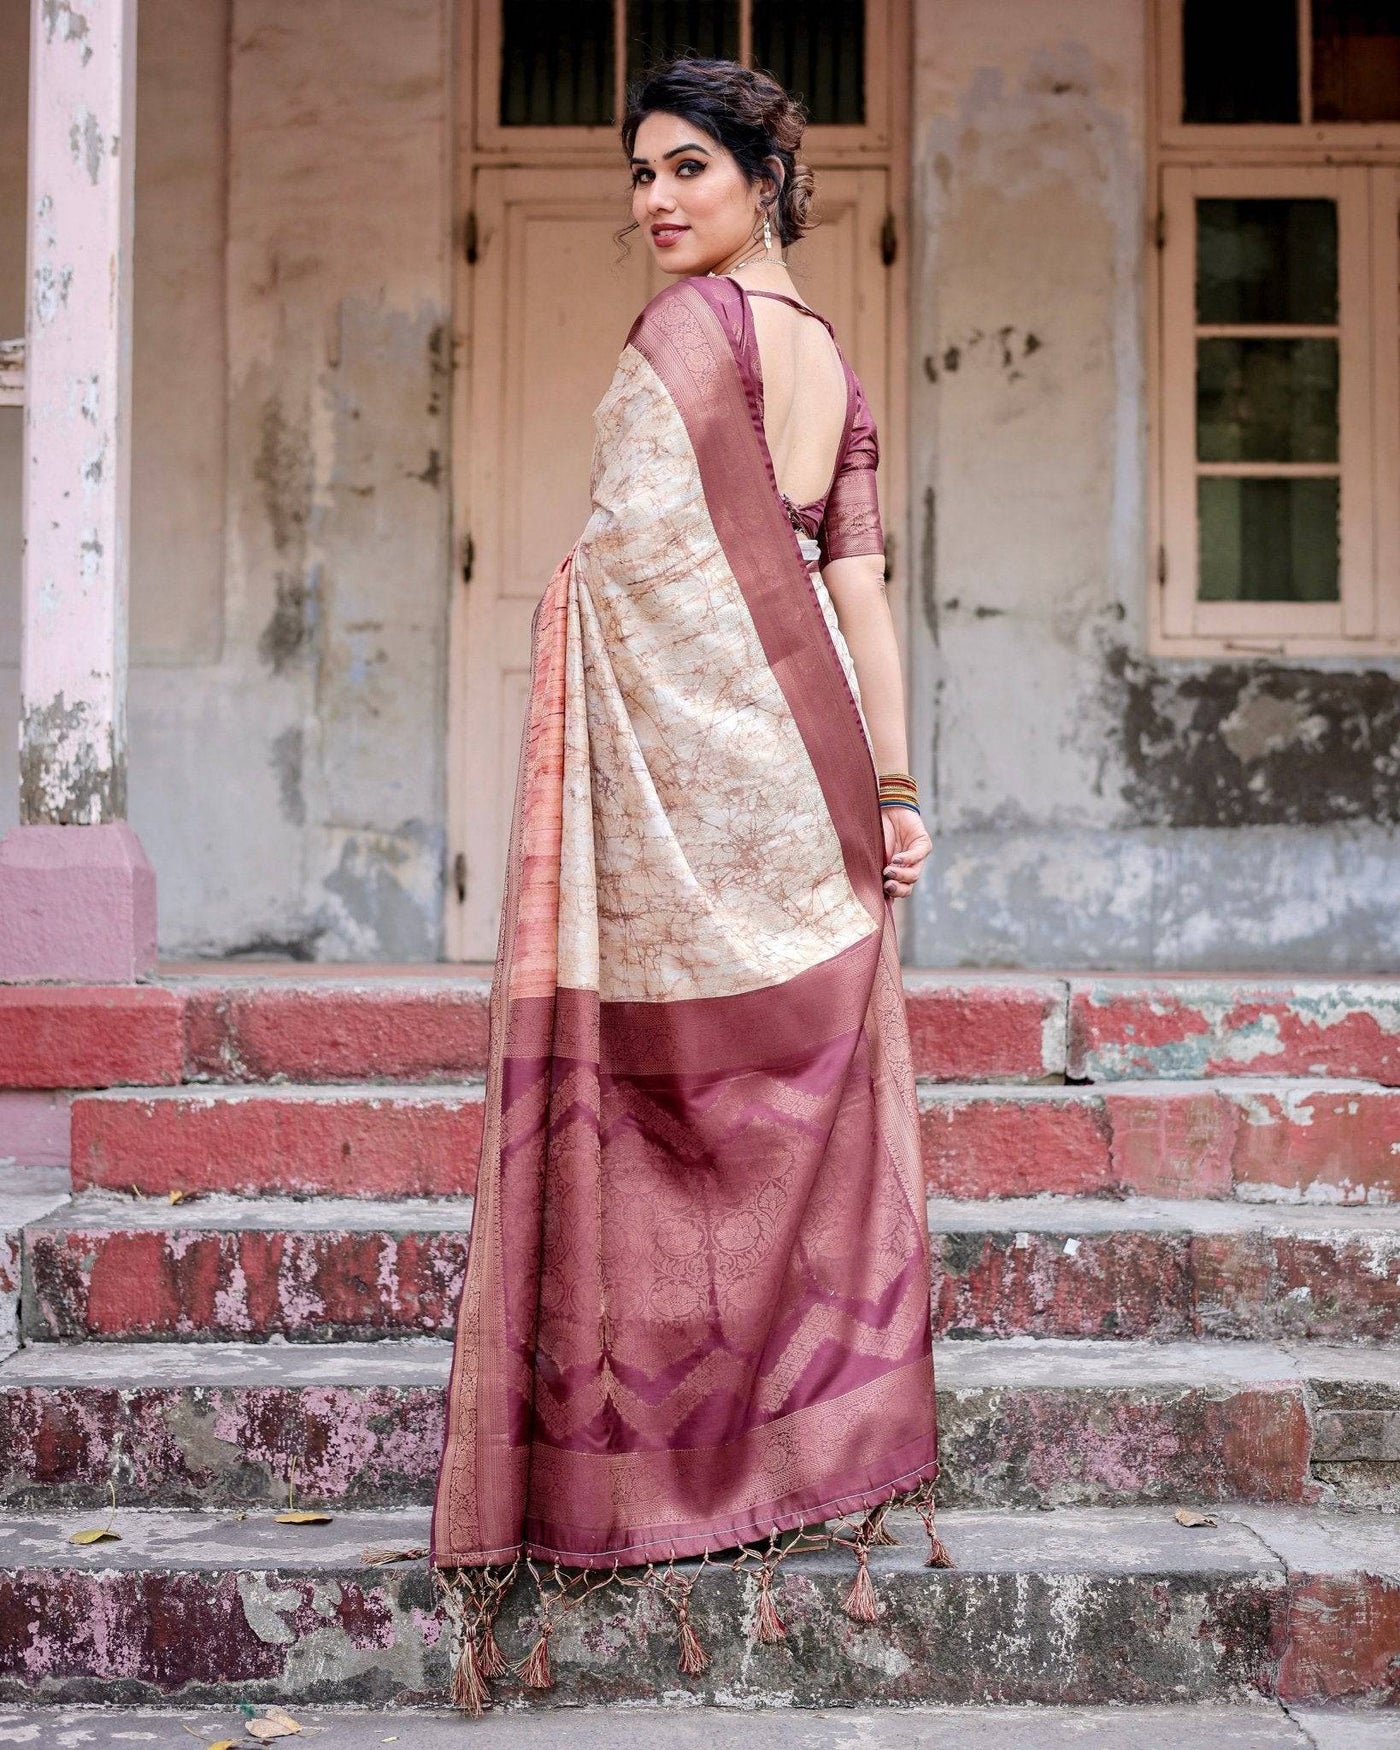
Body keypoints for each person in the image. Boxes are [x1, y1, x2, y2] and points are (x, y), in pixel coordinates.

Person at [430, 54, 947, 1713]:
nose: (655, 200)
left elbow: (640, 558)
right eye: (640, 174)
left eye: (684, 170)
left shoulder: (683, 339)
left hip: (715, 771)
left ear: (759, 177)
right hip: (804, 772)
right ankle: (783, 1437)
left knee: (665, 1094)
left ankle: (657, 1467)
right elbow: (855, 595)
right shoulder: (835, 365)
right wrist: (893, 783)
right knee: (771, 1097)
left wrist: (570, 602)